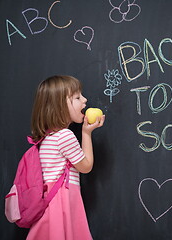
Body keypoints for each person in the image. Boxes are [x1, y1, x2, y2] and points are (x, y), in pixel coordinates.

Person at [26, 75, 105, 240]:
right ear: (59, 106)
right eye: (77, 97)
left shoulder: (48, 137)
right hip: (61, 204)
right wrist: (86, 133)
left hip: (49, 204)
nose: (85, 100)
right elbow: (86, 166)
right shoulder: (65, 136)